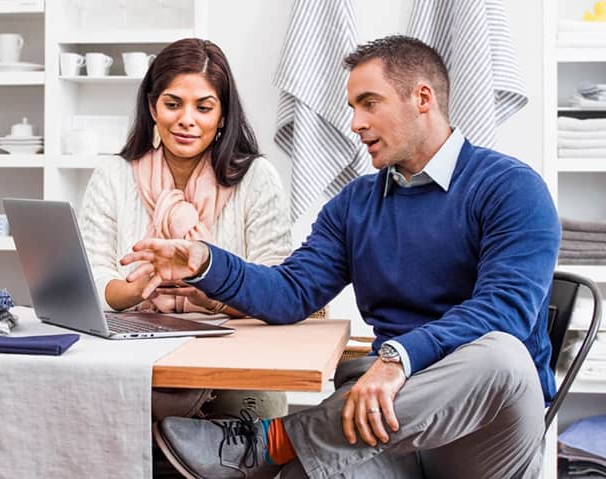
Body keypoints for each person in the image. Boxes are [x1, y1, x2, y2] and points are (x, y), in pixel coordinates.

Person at [121, 35, 561, 479]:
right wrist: (205, 263)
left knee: (503, 355)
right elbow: (291, 293)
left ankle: (277, 439)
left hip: (483, 433)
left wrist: (397, 358)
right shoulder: (353, 205)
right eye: (352, 107)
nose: (354, 123)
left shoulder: (511, 188)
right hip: (384, 418)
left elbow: (505, 311)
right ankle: (283, 449)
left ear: (421, 99)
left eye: (369, 103)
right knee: (300, 476)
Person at [79, 38, 291, 421]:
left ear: (223, 114)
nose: (187, 119)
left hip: (235, 358)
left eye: (204, 107)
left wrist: (211, 293)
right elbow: (93, 275)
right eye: (173, 104)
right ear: (152, 108)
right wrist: (135, 290)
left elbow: (277, 284)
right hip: (132, 351)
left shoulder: (257, 178)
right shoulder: (112, 176)